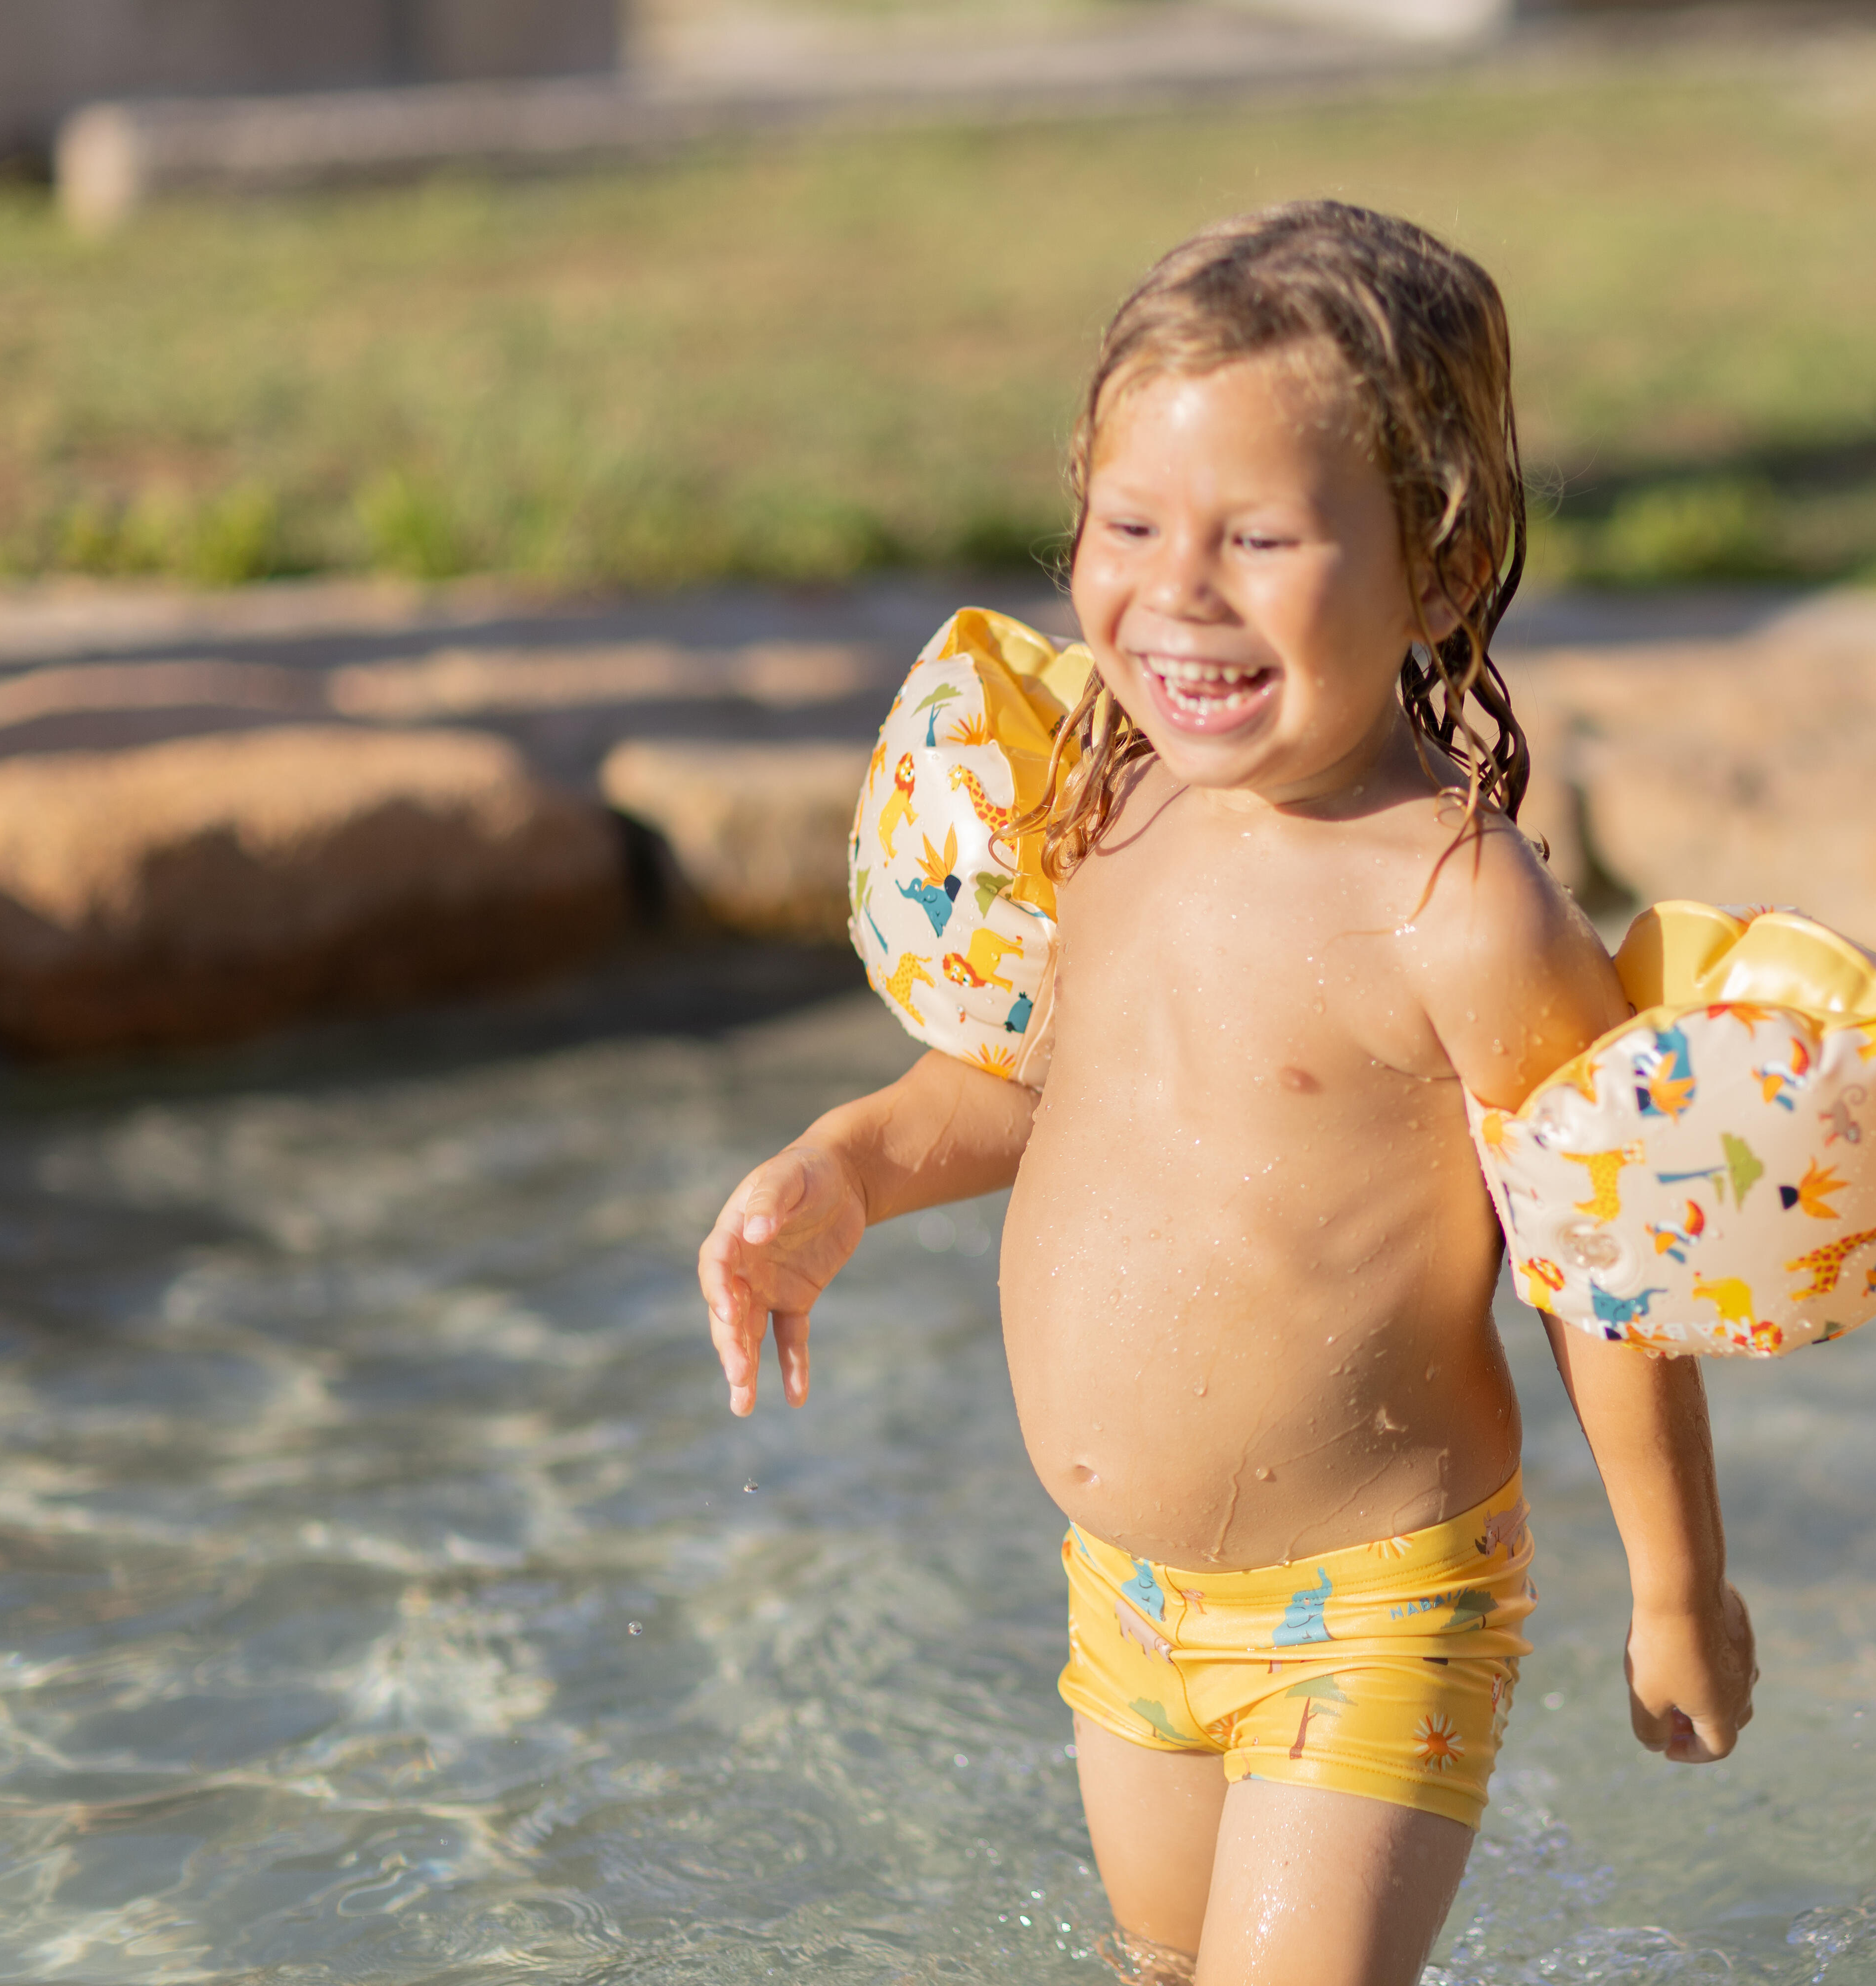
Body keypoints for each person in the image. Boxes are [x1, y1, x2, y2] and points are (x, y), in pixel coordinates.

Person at [697, 202, 1756, 1986]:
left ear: (1438, 563)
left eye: (1259, 538)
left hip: (1372, 1614)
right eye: (1131, 525)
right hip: (1121, 1594)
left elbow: (1614, 1277)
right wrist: (854, 1166)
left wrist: (1678, 1589)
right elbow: (1046, 1093)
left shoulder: (1462, 912)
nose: (1178, 590)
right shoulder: (1101, 801)